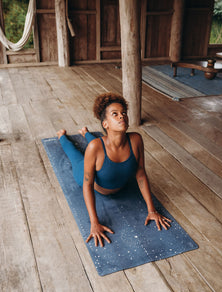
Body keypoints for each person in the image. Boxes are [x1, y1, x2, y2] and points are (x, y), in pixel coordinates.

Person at [57, 92, 171, 247]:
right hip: (87, 176)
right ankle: (62, 136)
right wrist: (94, 222)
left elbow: (141, 174)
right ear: (105, 124)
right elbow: (87, 186)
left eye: (124, 113)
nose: (121, 116)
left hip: (106, 157)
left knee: (100, 143)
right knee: (75, 155)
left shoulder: (136, 139)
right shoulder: (95, 148)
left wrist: (151, 210)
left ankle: (85, 133)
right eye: (115, 114)